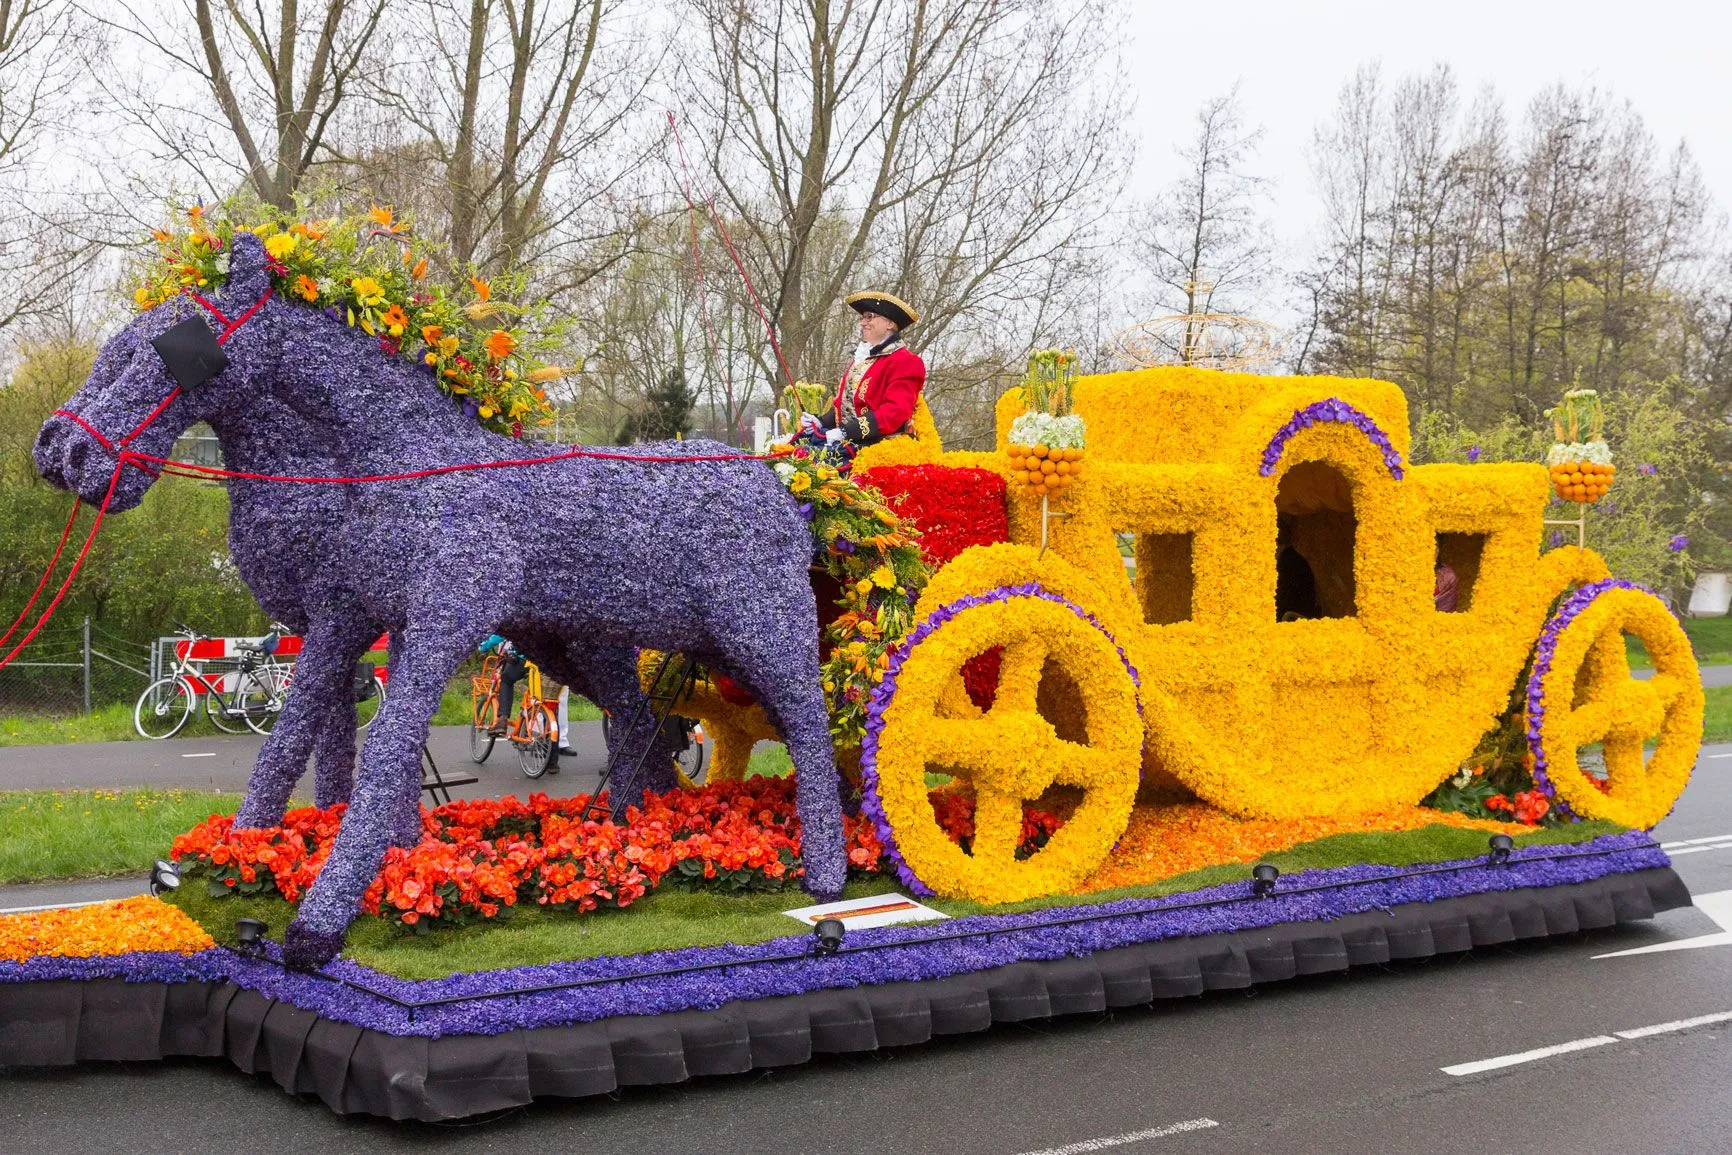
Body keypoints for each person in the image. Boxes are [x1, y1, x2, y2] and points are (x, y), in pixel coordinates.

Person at [801, 290, 927, 448]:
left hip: (882, 447)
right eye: (863, 317)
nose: (863, 322)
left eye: (870, 317)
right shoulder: (863, 358)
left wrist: (846, 431)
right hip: (852, 443)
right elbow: (849, 406)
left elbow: (894, 412)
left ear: (890, 323)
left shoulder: (906, 361)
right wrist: (820, 422)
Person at [478, 633, 525, 737]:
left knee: (506, 679)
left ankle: (503, 719)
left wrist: (483, 646)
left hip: (523, 659)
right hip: (542, 660)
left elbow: (501, 634)